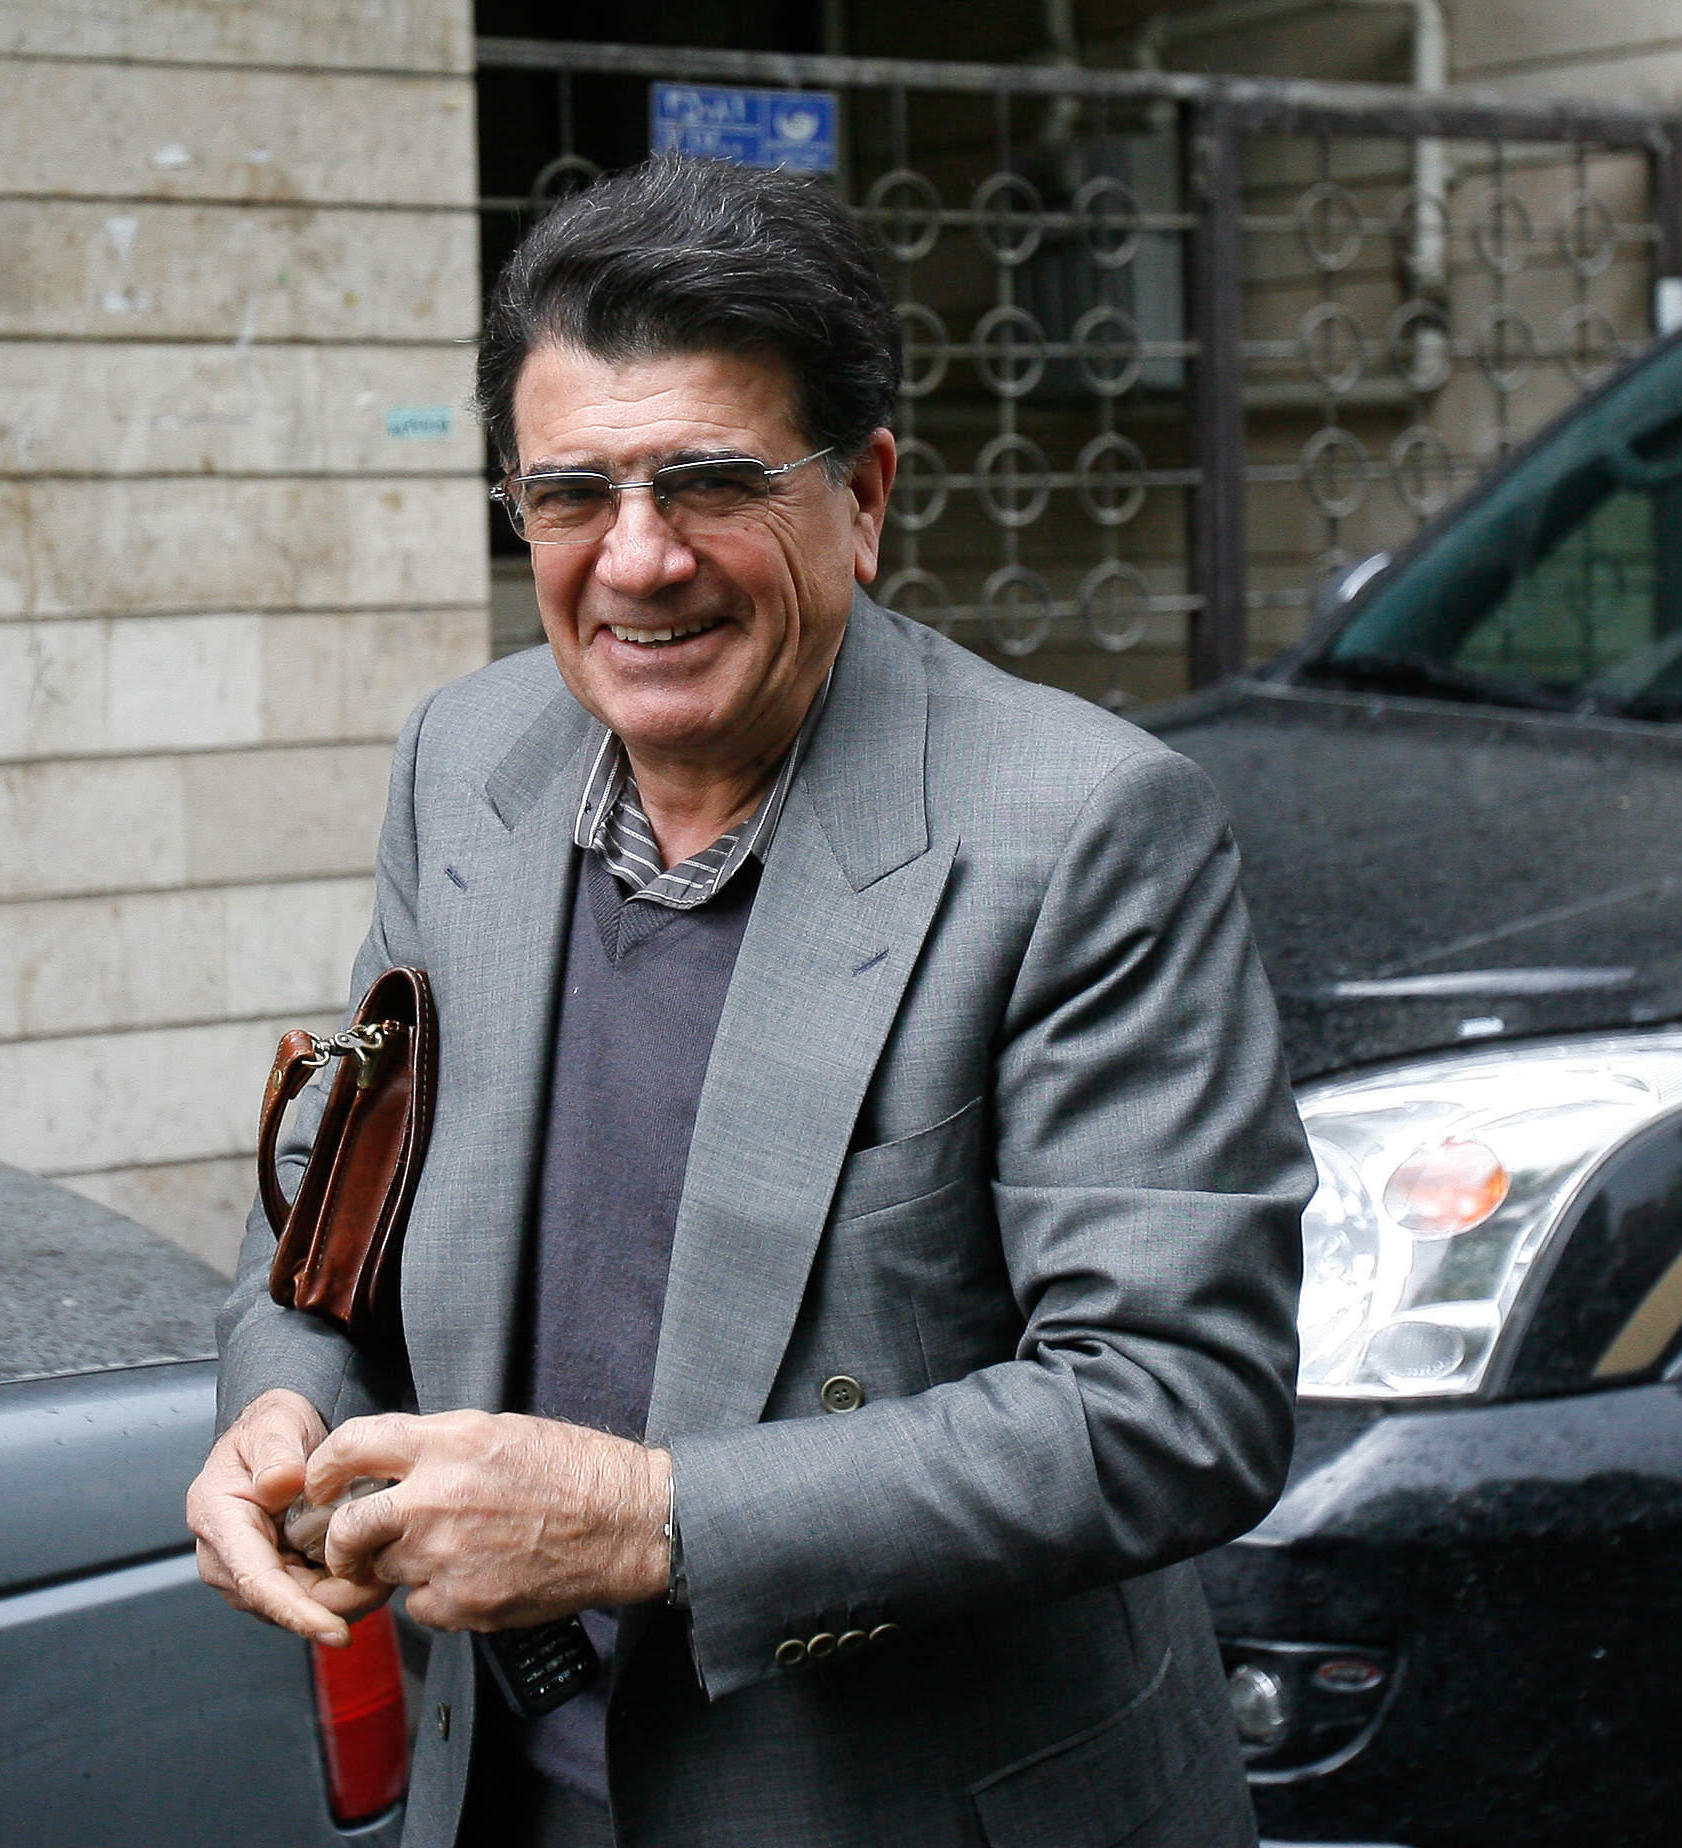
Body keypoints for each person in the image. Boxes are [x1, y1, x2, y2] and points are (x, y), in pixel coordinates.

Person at [187, 155, 1312, 1848]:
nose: (638, 560)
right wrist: (285, 1405)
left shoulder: (1082, 827)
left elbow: (1177, 1403)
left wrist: (647, 1518)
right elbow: (340, 1210)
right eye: (571, 494)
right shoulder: (462, 759)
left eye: (711, 481)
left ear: (863, 496)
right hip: (500, 1794)